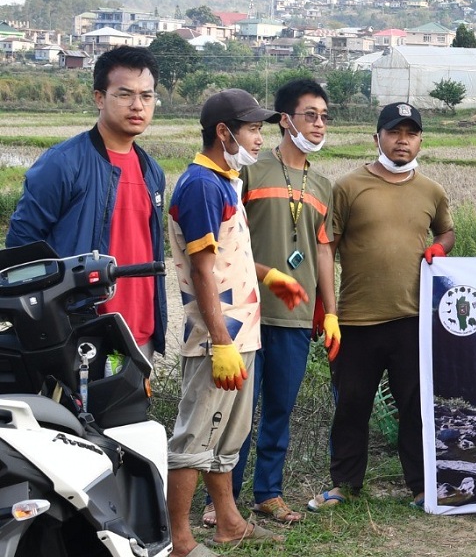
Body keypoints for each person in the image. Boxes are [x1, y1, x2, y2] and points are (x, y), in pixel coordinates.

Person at [166, 89, 308, 556]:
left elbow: (231, 257)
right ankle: (182, 539)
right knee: (194, 438)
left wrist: (271, 277)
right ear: (224, 132)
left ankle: (229, 522)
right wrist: (221, 341)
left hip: (242, 331)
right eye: (251, 129)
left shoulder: (227, 181)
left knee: (227, 436)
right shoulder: (201, 185)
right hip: (217, 337)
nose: (258, 136)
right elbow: (203, 270)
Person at [309, 102, 454, 512]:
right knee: (352, 405)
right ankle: (345, 484)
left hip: (411, 319)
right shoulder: (349, 187)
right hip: (356, 319)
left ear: (421, 140)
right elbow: (326, 247)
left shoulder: (431, 191)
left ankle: (423, 485)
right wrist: (328, 309)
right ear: (378, 138)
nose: (402, 140)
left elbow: (447, 231)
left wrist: (439, 248)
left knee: (414, 407)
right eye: (394, 132)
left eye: (410, 133)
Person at [213, 79, 339, 526]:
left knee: (279, 410)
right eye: (310, 115)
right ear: (285, 120)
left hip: (296, 317)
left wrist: (331, 313)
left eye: (324, 116)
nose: (319, 124)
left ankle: (268, 493)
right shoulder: (250, 171)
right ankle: (221, 500)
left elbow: (323, 251)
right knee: (236, 412)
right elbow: (227, 241)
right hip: (244, 313)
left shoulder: (324, 185)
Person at [6, 46, 168, 363]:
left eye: (147, 97)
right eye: (124, 95)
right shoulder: (65, 163)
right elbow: (21, 246)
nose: (137, 106)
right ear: (99, 98)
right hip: (78, 334)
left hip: (138, 335)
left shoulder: (153, 171)